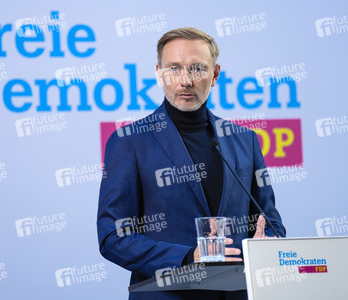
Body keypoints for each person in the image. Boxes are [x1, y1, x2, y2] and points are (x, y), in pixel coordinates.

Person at [97, 27, 286, 300]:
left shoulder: (245, 140)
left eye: (197, 69)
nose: (185, 80)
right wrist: (187, 257)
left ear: (216, 73)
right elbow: (113, 237)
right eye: (174, 69)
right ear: (160, 73)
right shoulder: (128, 142)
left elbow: (271, 225)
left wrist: (264, 246)